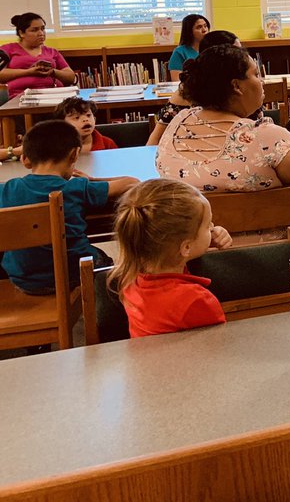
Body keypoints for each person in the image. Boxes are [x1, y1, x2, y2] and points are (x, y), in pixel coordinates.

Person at [155, 44, 290, 191]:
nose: (261, 80)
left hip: (192, 225)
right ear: (236, 86)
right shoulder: (267, 138)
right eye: (256, 74)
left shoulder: (178, 124)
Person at [0, 119, 137, 294]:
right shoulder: (75, 188)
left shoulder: (5, 189)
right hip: (73, 275)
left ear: (25, 159)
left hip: (22, 280)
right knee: (103, 259)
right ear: (74, 155)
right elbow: (131, 183)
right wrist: (92, 180)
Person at [110, 179, 234, 338]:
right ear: (186, 247)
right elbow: (217, 348)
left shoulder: (130, 278)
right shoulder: (195, 300)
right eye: (208, 225)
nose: (212, 227)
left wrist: (203, 240)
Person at [148, 30, 244, 147]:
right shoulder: (190, 89)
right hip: (193, 155)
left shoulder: (245, 86)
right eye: (237, 52)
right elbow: (155, 139)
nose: (244, 57)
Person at [0, 13, 76, 100]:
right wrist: (29, 72)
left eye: (43, 29)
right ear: (21, 33)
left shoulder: (52, 52)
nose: (41, 33)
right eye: (34, 30)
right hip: (18, 97)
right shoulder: (7, 49)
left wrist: (52, 71)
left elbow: (70, 77)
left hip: (53, 95)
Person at [52, 97, 118, 152]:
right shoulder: (56, 147)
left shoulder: (108, 144)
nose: (85, 119)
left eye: (88, 115)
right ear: (63, 124)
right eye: (77, 117)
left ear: (94, 119)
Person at [168, 14, 210, 81]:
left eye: (205, 26)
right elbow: (176, 81)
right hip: (190, 89)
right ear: (190, 31)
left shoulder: (212, 49)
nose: (204, 30)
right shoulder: (179, 52)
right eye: (199, 27)